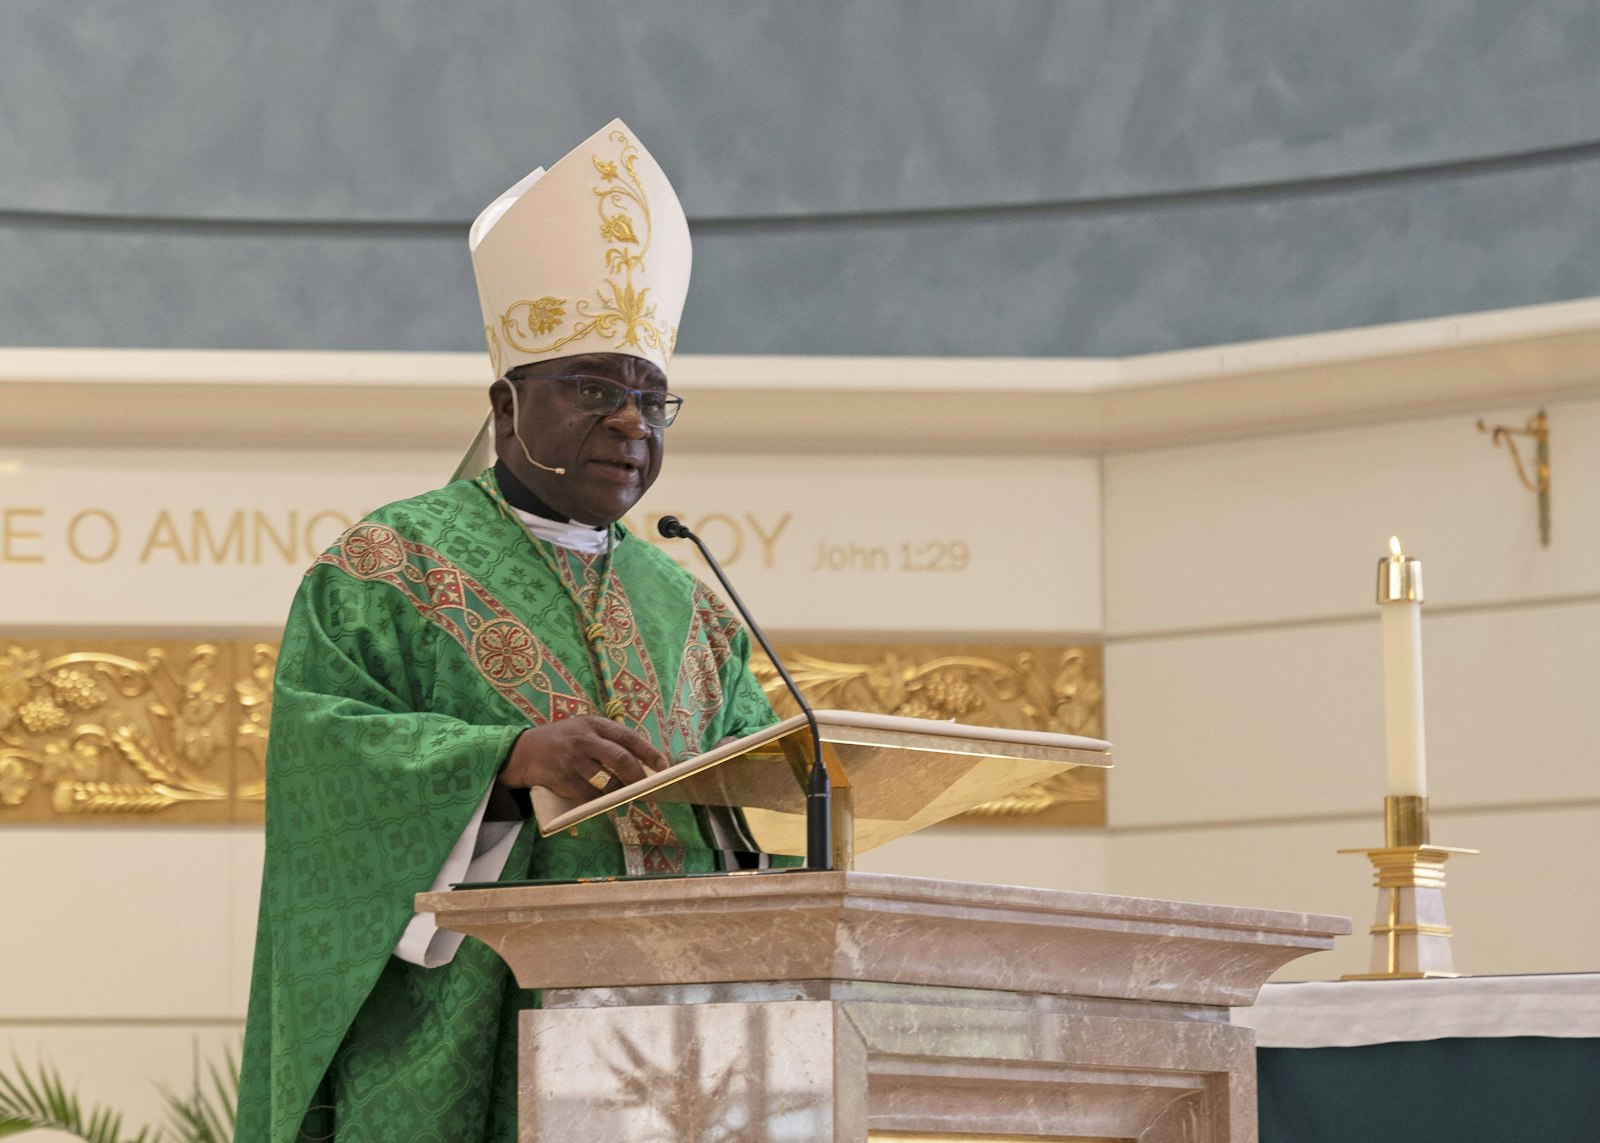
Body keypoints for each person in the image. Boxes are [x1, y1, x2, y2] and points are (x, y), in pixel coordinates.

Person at [236, 120, 782, 1143]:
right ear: (504, 402)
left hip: (686, 1041)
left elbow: (761, 792)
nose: (632, 426)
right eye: (594, 392)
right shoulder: (388, 564)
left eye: (653, 400)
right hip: (470, 1028)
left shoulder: (692, 605)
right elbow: (323, 761)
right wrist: (505, 762)